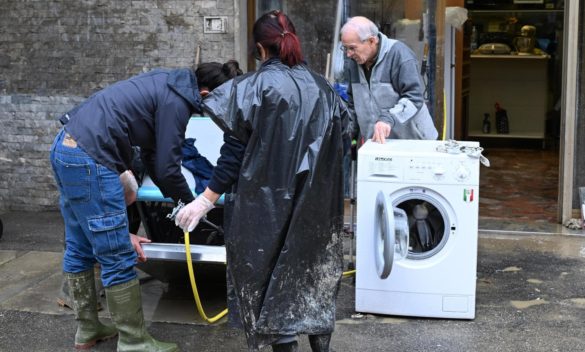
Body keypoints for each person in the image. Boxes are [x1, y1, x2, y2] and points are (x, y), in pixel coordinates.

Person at [174, 10, 349, 352]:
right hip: (315, 206)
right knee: (311, 270)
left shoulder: (249, 89)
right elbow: (347, 136)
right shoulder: (324, 88)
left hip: (263, 208)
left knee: (266, 276)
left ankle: (285, 346)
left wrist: (205, 199)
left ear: (259, 48)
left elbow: (232, 155)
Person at [50, 60, 241, 351]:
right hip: (92, 157)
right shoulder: (177, 103)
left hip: (66, 148)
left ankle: (88, 329)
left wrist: (180, 200)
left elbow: (154, 157)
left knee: (79, 246)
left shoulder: (166, 83)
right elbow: (166, 168)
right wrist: (194, 204)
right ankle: (133, 340)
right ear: (205, 94)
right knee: (116, 253)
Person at [340, 16, 438, 143]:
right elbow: (353, 105)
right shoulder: (354, 62)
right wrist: (348, 135)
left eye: (352, 48)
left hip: (414, 141)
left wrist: (387, 119)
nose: (348, 54)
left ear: (371, 41)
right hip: (379, 144)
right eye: (345, 48)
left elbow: (414, 99)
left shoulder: (399, 55)